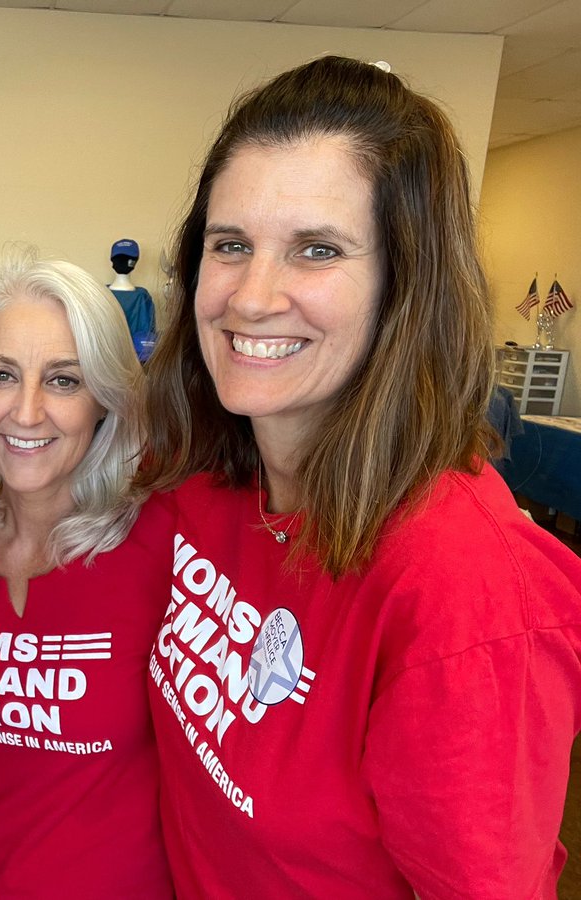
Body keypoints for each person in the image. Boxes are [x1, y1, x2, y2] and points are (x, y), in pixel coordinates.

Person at [137, 55, 581, 897]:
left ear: (403, 286)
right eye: (230, 245)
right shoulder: (209, 469)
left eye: (316, 249)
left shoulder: (464, 593)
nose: (252, 297)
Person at [0, 250, 174, 899]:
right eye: (2, 375)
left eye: (63, 380)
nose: (25, 412)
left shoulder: (163, 541)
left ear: (105, 400)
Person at [107, 237, 156, 360]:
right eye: (119, 259)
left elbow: (147, 334)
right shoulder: (100, 294)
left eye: (127, 259)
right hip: (106, 358)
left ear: (134, 261)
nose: (122, 262)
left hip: (135, 359)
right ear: (112, 260)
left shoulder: (142, 297)